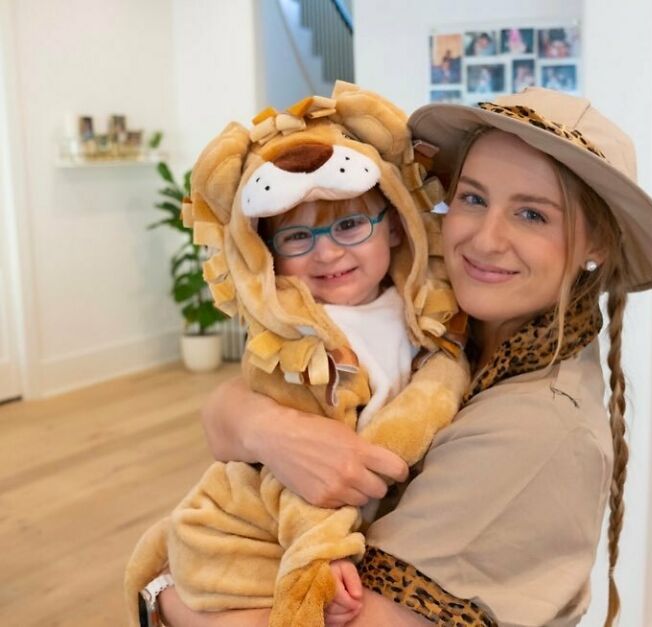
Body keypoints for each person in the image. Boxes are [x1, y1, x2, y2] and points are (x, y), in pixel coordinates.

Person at [156, 87, 652, 627]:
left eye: (531, 214)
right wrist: (266, 427)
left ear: (596, 244)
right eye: (473, 199)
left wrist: (164, 595)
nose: (485, 239)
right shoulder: (440, 322)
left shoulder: (537, 427)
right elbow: (230, 408)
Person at [128, 85, 470, 627]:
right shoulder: (293, 343)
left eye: (350, 224)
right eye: (296, 237)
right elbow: (296, 470)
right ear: (269, 255)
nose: (328, 252)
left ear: (397, 224)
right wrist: (321, 550)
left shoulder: (421, 312)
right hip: (277, 520)